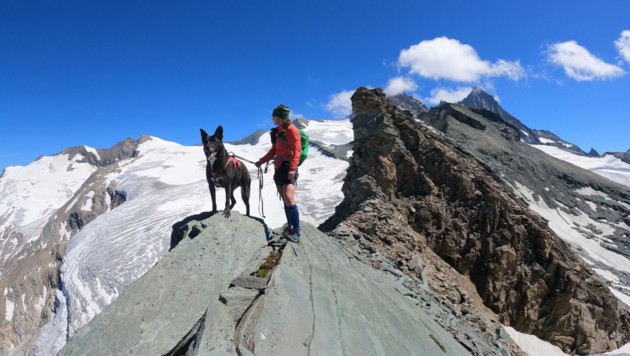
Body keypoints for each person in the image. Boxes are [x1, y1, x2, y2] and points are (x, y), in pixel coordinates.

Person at [255, 104, 302, 242]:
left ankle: (296, 232)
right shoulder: (277, 132)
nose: (272, 118)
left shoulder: (292, 130)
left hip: (288, 167)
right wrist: (261, 161)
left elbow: (297, 150)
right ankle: (290, 227)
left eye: (274, 116)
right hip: (279, 169)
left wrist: (293, 168)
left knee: (288, 196)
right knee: (285, 200)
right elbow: (273, 151)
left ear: (279, 117)